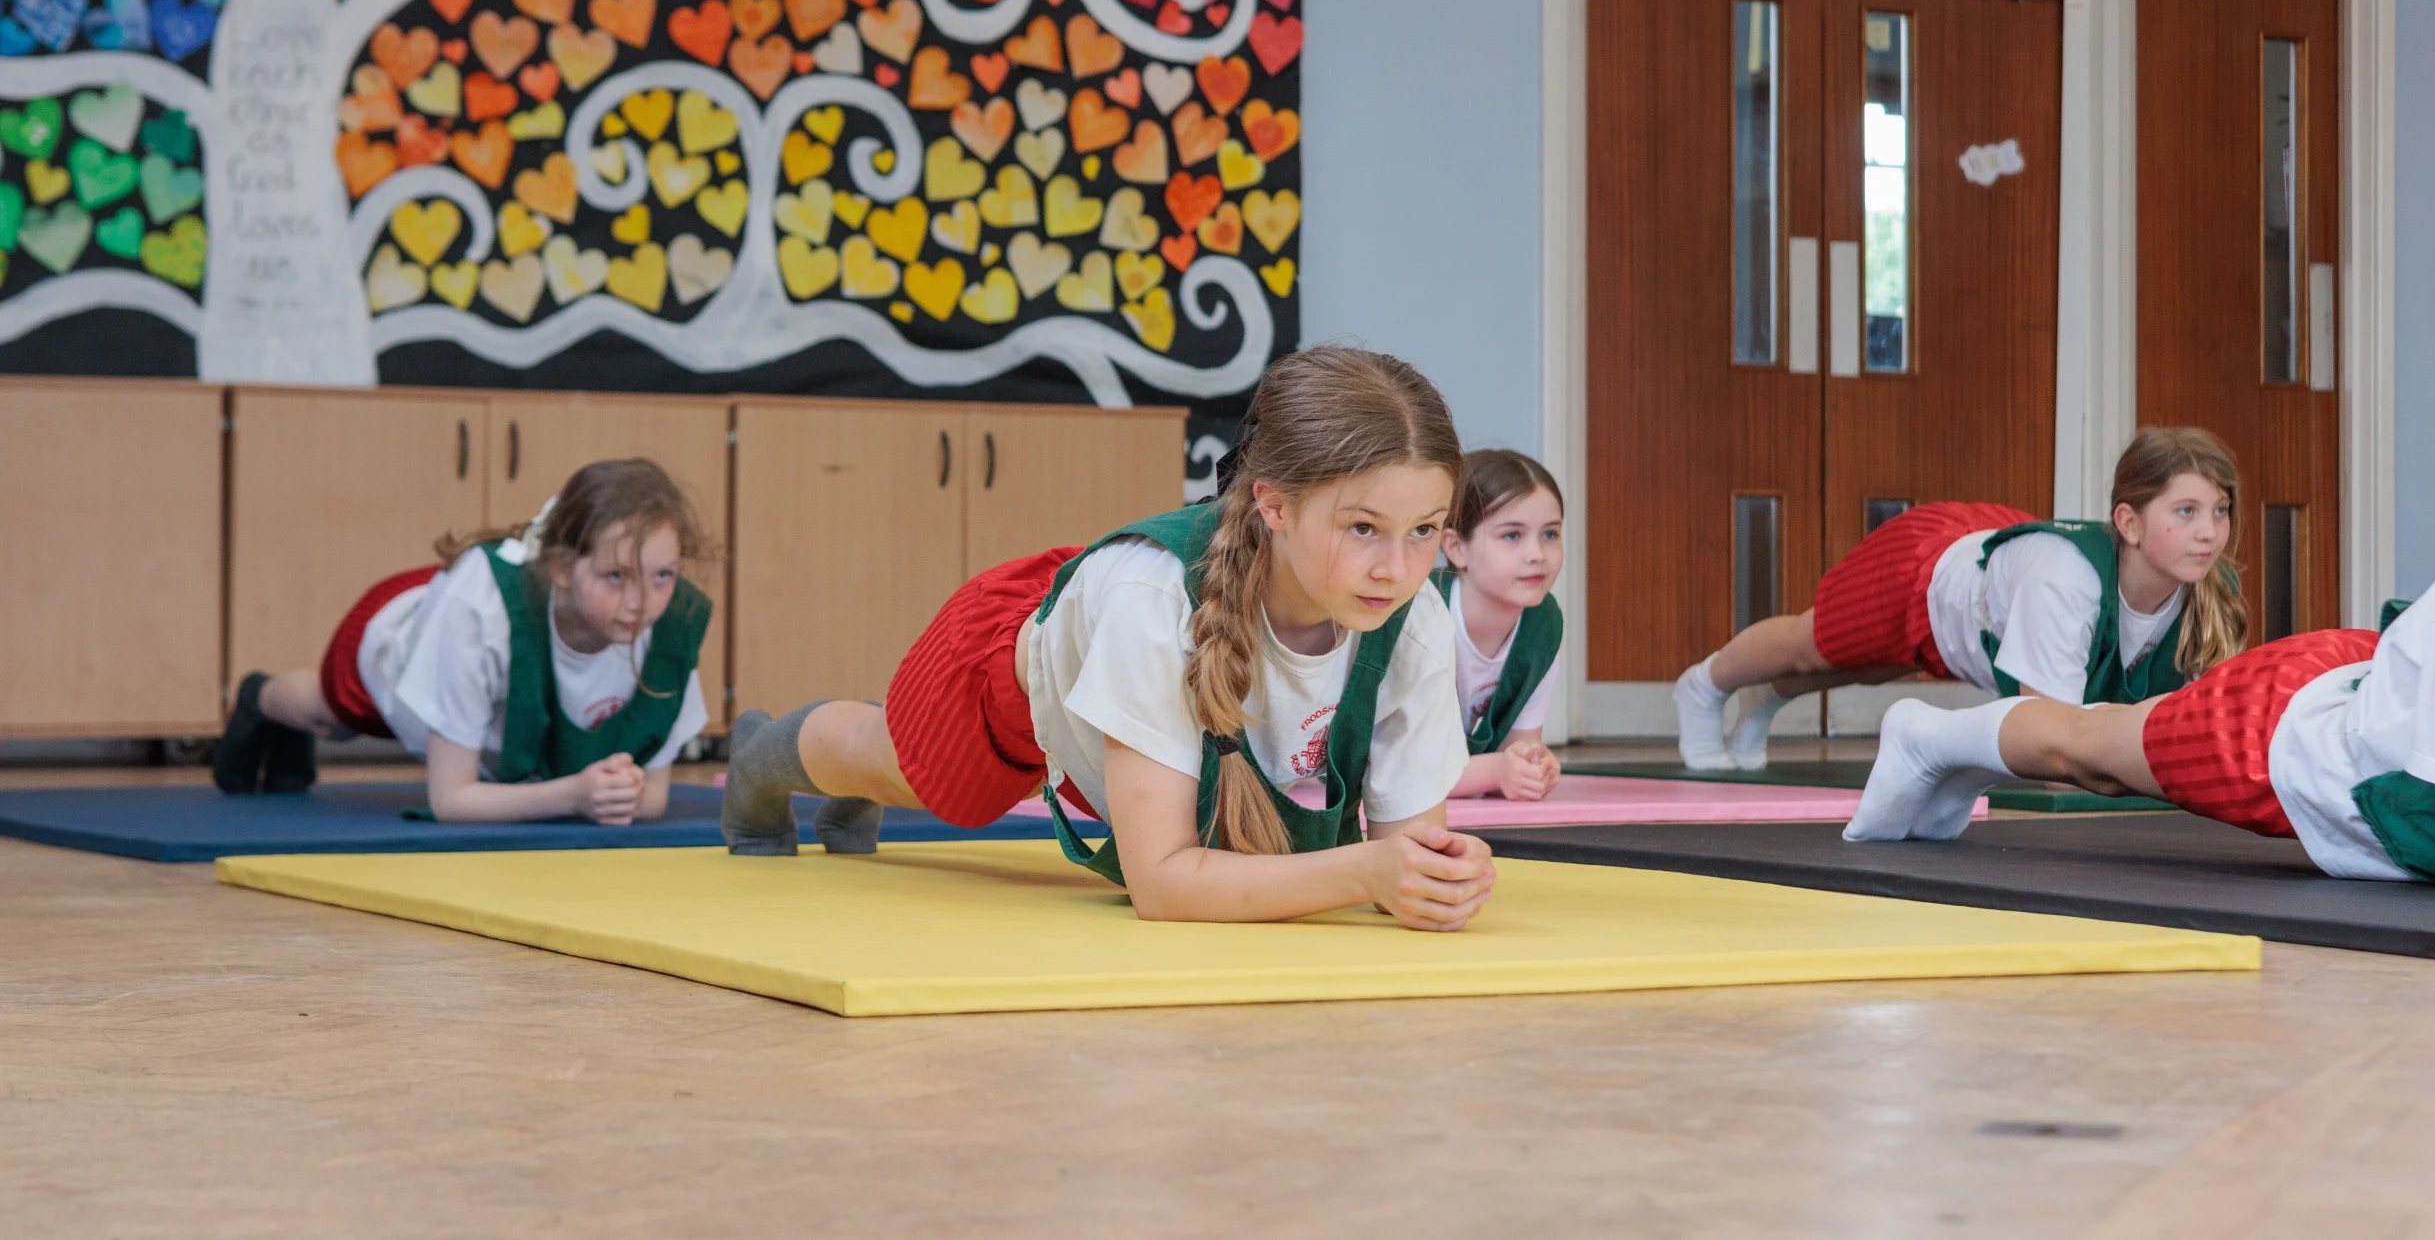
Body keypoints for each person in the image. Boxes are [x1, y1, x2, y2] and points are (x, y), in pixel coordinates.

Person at [718, 345, 1500, 930]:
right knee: (902, 769)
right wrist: (1367, 871)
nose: (1398, 568)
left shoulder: (1414, 617)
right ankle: (762, 756)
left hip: (1125, 648)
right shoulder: (1150, 603)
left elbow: (1404, 858)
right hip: (1001, 681)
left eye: (1425, 530)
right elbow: (1162, 885)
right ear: (1274, 506)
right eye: (1363, 528)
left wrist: (1431, 879)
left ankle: (848, 782)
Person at [1841, 513, 2435, 893]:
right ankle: (1928, 738)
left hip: (2379, 685)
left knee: (2100, 743)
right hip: (2285, 737)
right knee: (2093, 754)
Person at [1674, 428, 2250, 770]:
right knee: (1815, 644)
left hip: (1996, 581)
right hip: (1926, 571)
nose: (2209, 532)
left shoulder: (2211, 590)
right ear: (2127, 522)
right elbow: (2053, 748)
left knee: (1878, 669)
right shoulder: (2064, 584)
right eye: (2186, 512)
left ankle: (1764, 701)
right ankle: (1705, 684)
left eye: (2220, 511)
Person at [212, 458, 715, 825]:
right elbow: (450, 801)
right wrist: (574, 797)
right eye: (615, 576)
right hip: (399, 638)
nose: (641, 603)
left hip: (491, 697)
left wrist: (614, 793)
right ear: (562, 568)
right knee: (334, 715)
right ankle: (260, 697)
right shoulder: (481, 612)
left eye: (663, 576)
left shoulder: (667, 628)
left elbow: (654, 794)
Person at [1435, 449, 1565, 801]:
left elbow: (1520, 747)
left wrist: (1531, 767)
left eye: (1550, 534)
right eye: (1512, 535)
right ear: (1456, 548)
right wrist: (1494, 771)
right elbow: (1398, 772)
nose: (1537, 553)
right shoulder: (1421, 616)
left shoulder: (1543, 621)